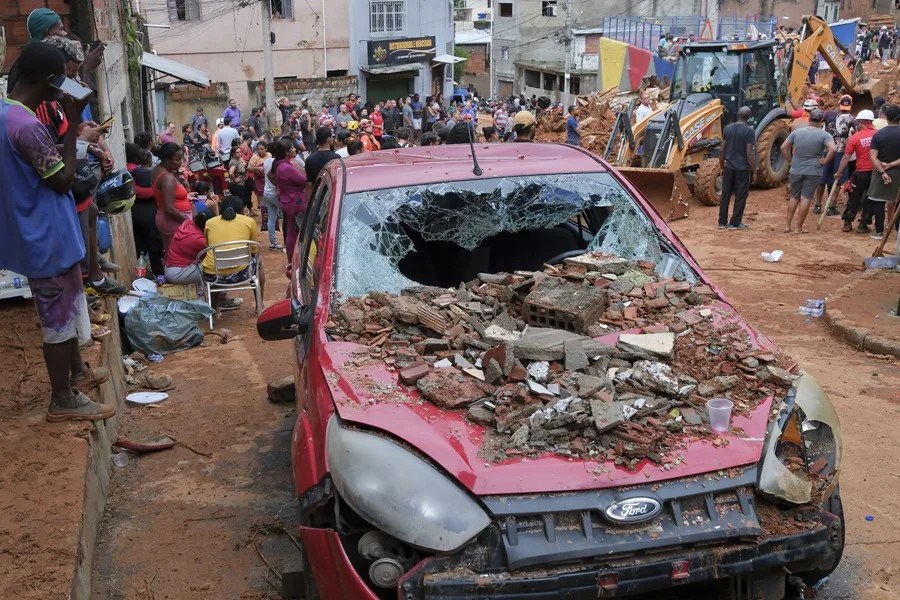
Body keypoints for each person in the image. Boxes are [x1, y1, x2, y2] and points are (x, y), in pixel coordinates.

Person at [0, 41, 114, 422]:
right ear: (50, 82)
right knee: (57, 320)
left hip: (44, 230)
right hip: (45, 235)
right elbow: (63, 180)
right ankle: (62, 399)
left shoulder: (7, 113)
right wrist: (73, 125)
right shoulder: (28, 127)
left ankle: (77, 372)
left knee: (70, 305)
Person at [203, 196, 265, 308]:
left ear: (221, 209)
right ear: (241, 210)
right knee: (258, 263)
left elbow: (208, 246)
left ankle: (214, 309)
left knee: (212, 265)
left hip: (215, 275)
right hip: (241, 273)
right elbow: (254, 250)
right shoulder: (249, 221)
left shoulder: (209, 223)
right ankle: (259, 305)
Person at [781, 109, 836, 233]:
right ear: (822, 121)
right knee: (806, 198)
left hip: (796, 168)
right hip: (814, 170)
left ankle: (787, 226)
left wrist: (790, 161)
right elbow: (833, 149)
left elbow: (783, 147)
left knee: (794, 196)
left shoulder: (797, 132)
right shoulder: (825, 135)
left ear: (809, 119)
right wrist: (825, 161)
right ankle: (798, 228)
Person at [126, 143, 165, 277]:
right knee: (155, 244)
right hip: (151, 212)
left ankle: (140, 274)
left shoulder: (132, 173)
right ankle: (158, 272)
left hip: (135, 211)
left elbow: (133, 190)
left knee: (140, 245)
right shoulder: (154, 174)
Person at [835, 110, 877, 233]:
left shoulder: (855, 137)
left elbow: (846, 157)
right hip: (875, 172)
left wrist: (839, 172)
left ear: (861, 122)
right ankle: (863, 224)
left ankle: (847, 223)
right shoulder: (878, 135)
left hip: (860, 172)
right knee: (870, 198)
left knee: (854, 197)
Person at [270, 139, 309, 265]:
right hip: (295, 201)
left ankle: (291, 260)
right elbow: (303, 180)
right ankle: (296, 260)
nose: (294, 149)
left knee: (291, 231)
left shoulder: (279, 165)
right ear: (286, 152)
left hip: (288, 200)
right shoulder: (286, 167)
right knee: (299, 231)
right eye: (292, 148)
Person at [718, 106, 757, 230]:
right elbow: (749, 153)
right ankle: (735, 223)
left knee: (725, 194)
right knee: (740, 196)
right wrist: (754, 171)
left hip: (729, 167)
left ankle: (722, 222)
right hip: (743, 169)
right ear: (749, 117)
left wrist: (721, 166)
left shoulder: (727, 129)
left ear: (738, 115)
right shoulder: (749, 131)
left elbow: (722, 149)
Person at [815, 94, 854, 215]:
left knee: (822, 179)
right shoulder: (852, 118)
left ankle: (817, 205)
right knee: (837, 178)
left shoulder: (827, 114)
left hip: (826, 150)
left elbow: (818, 124)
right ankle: (831, 207)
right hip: (840, 152)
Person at [866, 103, 900, 240]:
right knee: (898, 202)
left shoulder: (878, 134)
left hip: (879, 172)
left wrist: (882, 171)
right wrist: (891, 165)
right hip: (898, 172)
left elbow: (873, 156)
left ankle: (879, 231)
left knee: (878, 201)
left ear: (887, 117)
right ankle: (898, 232)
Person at [152, 142, 194, 250]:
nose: (181, 162)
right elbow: (169, 208)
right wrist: (188, 222)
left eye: (181, 159)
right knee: (178, 253)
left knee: (171, 251)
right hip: (173, 220)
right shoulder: (167, 178)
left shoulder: (159, 170)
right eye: (177, 160)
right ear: (167, 159)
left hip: (168, 219)